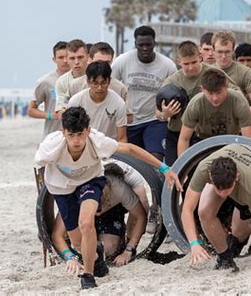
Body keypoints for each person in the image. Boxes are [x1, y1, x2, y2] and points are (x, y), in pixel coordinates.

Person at [34, 106, 181, 289]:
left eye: (80, 134)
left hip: (90, 181)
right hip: (61, 187)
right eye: (71, 135)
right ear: (63, 132)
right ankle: (96, 257)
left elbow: (129, 149)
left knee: (86, 223)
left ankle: (88, 276)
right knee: (78, 242)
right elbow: (39, 167)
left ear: (88, 130)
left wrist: (164, 168)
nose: (77, 140)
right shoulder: (51, 145)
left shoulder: (96, 140)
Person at [180, 144, 251, 271]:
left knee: (240, 232)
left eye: (227, 189)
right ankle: (224, 258)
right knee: (204, 212)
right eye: (218, 189)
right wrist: (194, 243)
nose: (222, 194)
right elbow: (187, 209)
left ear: (236, 177)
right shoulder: (204, 168)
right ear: (210, 177)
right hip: (226, 170)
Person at [51, 162, 147, 270]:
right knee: (83, 247)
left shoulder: (119, 188)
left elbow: (141, 216)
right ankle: (73, 239)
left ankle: (120, 239)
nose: (98, 200)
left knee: (109, 250)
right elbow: (56, 235)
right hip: (83, 214)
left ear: (107, 185)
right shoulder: (74, 195)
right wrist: (70, 257)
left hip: (112, 210)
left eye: (101, 195)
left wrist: (129, 249)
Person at [112, 25, 177, 160]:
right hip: (129, 121)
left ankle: (154, 180)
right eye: (141, 45)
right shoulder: (122, 61)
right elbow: (110, 86)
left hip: (154, 120)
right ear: (135, 44)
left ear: (154, 43)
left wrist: (166, 112)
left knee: (155, 157)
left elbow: (174, 92)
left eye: (148, 44)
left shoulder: (167, 65)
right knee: (129, 159)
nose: (145, 48)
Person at [160, 40, 216, 165]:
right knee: (174, 171)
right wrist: (165, 114)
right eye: (186, 64)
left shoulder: (213, 73)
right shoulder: (171, 81)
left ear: (200, 57)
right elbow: (158, 113)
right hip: (176, 132)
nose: (191, 67)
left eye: (194, 62)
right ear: (178, 62)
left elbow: (233, 92)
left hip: (203, 134)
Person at [177, 68, 251, 156]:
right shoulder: (196, 104)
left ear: (226, 86)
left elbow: (249, 141)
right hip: (203, 141)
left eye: (219, 92)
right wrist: (182, 167)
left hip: (233, 141)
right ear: (202, 89)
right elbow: (184, 139)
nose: (215, 98)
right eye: (210, 93)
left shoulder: (239, 102)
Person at [68, 42, 133, 124]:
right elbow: (67, 114)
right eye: (99, 61)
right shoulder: (75, 85)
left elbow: (129, 118)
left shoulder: (120, 88)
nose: (103, 66)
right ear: (89, 60)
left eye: (107, 63)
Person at [68, 61, 127, 142]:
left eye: (103, 83)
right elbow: (69, 131)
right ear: (88, 82)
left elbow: (122, 138)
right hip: (83, 145)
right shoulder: (75, 101)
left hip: (108, 147)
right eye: (95, 83)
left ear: (109, 81)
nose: (99, 88)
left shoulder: (119, 103)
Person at [212, 31, 251, 120]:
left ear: (233, 50)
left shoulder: (244, 72)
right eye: (219, 52)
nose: (223, 56)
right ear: (213, 51)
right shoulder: (207, 70)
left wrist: (238, 120)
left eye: (227, 52)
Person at [28, 41, 70, 138]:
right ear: (54, 59)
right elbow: (31, 110)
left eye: (67, 57)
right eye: (60, 57)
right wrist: (50, 115)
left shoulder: (83, 79)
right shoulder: (45, 82)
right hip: (52, 136)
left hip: (76, 138)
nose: (65, 60)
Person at [55, 39, 89, 112]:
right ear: (67, 59)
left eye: (80, 57)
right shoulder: (61, 82)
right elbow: (61, 109)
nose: (76, 62)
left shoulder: (98, 77)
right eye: (72, 58)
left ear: (88, 57)